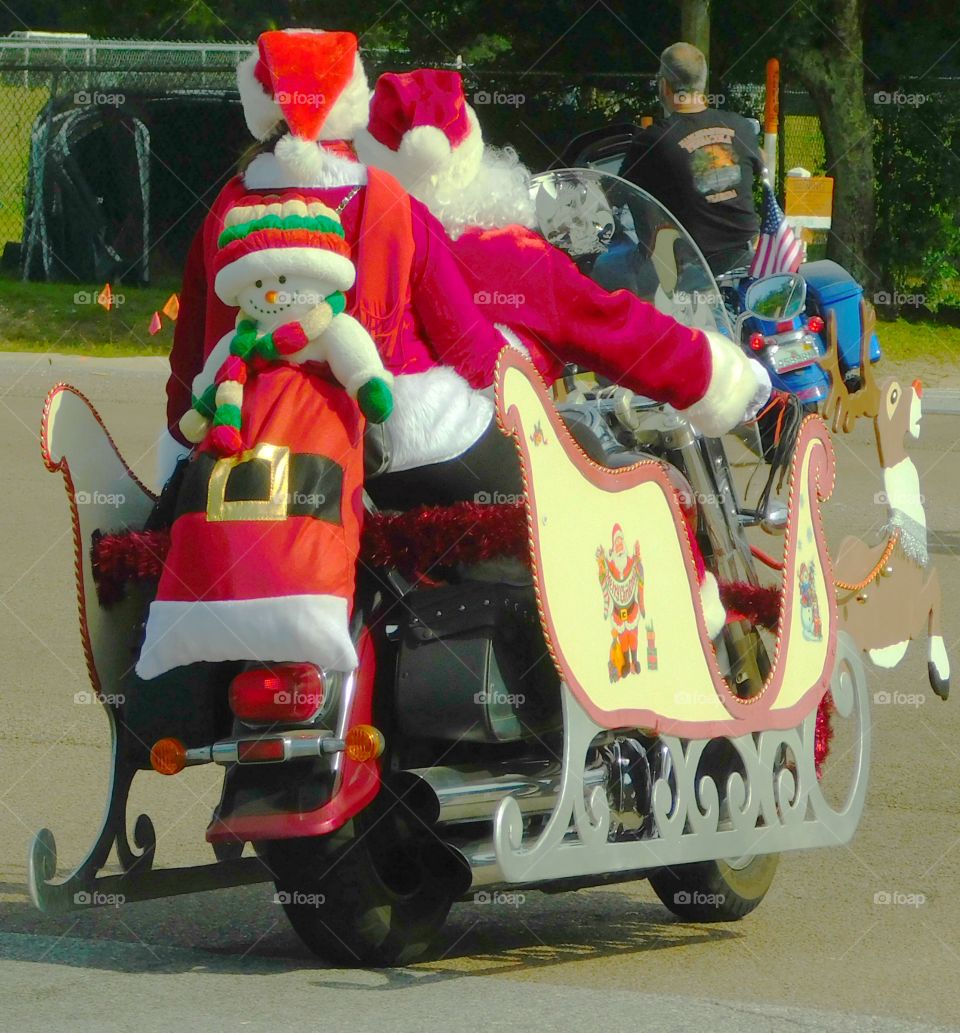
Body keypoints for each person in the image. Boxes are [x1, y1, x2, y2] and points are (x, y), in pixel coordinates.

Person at [619, 42, 764, 276]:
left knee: (617, 269)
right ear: (702, 83)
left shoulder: (654, 140)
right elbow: (761, 166)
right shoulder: (740, 126)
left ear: (664, 85)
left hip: (690, 274)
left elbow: (616, 193)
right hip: (749, 263)